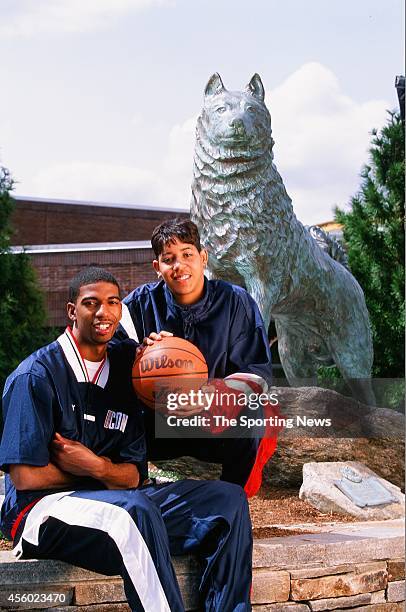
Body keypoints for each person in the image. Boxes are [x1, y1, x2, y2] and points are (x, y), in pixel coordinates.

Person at [0, 267, 253, 612]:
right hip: (41, 512)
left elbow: (133, 475)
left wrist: (96, 466)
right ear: (72, 311)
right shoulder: (36, 375)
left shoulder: (128, 370)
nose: (103, 312)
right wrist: (101, 473)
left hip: (117, 500)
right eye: (91, 303)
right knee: (134, 512)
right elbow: (26, 478)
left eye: (113, 302)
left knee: (227, 502)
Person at [113, 220, 278, 495]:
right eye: (169, 259)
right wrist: (137, 354)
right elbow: (110, 364)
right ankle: (132, 499)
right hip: (156, 421)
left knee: (258, 414)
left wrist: (209, 395)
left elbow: (258, 375)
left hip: (211, 421)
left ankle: (232, 500)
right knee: (112, 417)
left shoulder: (236, 302)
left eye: (187, 255)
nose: (179, 266)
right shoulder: (136, 306)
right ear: (158, 268)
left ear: (203, 257)